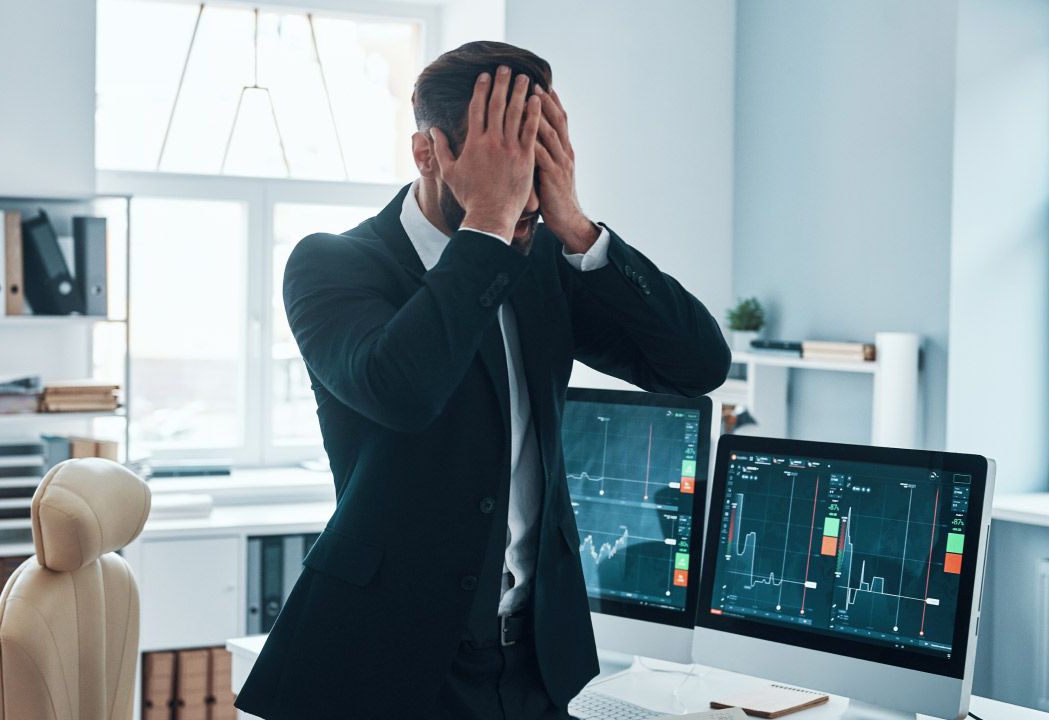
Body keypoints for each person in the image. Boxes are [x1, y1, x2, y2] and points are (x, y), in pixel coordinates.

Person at [235, 40, 731, 720]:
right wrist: (489, 223)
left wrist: (581, 231)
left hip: (537, 662)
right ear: (427, 154)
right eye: (500, 163)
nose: (520, 189)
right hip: (386, 664)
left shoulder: (545, 257)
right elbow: (405, 390)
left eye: (534, 158)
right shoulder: (334, 265)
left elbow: (698, 367)